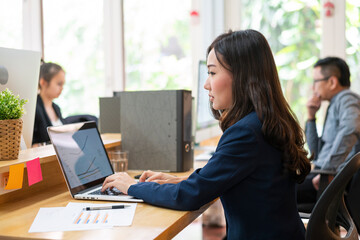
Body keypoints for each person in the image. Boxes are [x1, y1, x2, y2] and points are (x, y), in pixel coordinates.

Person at [101, 29, 311, 239]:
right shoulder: (266, 122)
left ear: (241, 76)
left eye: (212, 73)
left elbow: (190, 197)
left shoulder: (246, 133)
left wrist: (132, 187)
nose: (206, 84)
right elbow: (224, 180)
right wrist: (177, 181)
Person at [297, 57, 360, 206]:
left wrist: (329, 170)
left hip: (327, 179)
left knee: (275, 189)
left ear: (332, 82)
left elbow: (351, 127)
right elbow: (316, 153)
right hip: (322, 175)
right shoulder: (335, 104)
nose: (313, 88)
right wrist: (311, 116)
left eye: (316, 81)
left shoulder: (347, 99)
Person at [32, 62, 66, 146]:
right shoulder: (34, 109)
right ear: (43, 82)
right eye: (59, 84)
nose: (62, 88)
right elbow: (31, 144)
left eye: (63, 84)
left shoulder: (56, 108)